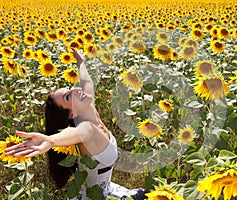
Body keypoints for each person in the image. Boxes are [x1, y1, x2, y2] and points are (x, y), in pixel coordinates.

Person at [5, 48, 145, 200]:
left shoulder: (90, 110)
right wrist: (51, 140)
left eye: (70, 89)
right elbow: (79, 133)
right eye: (68, 97)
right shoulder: (87, 129)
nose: (76, 90)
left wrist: (81, 62)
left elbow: (87, 83)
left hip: (108, 189)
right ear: (71, 114)